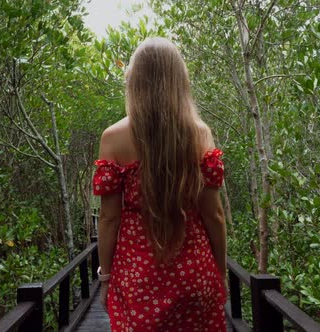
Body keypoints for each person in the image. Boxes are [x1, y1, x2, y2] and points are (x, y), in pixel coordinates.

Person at [93, 37, 227, 331]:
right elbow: (214, 216)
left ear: (134, 81)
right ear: (179, 80)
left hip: (138, 279)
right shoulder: (200, 134)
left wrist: (105, 278)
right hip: (195, 274)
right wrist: (219, 272)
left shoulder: (113, 137)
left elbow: (109, 218)